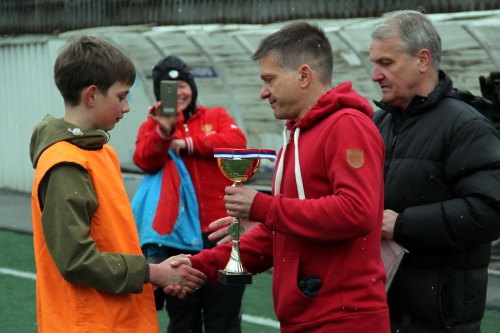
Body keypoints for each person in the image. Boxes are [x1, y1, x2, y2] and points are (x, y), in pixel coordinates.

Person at [166, 21, 391, 332]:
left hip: (342, 319)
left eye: (269, 79)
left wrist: (263, 207)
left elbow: (358, 212)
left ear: (303, 75)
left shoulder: (347, 125)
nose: (263, 92)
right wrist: (199, 266)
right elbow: (278, 236)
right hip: (306, 318)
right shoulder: (295, 134)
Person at [29, 36, 206, 333]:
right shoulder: (66, 164)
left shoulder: (101, 152)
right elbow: (76, 260)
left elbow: (112, 239)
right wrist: (153, 272)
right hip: (87, 323)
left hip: (114, 318)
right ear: (92, 95)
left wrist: (156, 274)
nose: (126, 107)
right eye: (122, 97)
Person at [370, 10, 500, 332]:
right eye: (374, 63)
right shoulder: (378, 123)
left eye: (386, 63)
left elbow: (489, 211)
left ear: (423, 60)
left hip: (438, 319)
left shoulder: (465, 125)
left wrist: (403, 225)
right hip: (381, 309)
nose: (374, 75)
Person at [132, 55, 247, 333]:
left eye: (182, 85)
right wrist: (165, 130)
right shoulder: (154, 123)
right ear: (159, 95)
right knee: (183, 321)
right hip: (178, 240)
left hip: (223, 235)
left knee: (226, 320)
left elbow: (237, 143)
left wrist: (189, 144)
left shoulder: (215, 115)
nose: (178, 93)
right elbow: (144, 159)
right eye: (168, 89)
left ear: (192, 87)